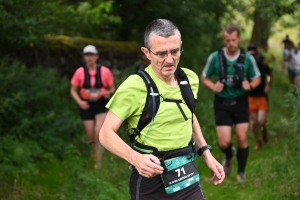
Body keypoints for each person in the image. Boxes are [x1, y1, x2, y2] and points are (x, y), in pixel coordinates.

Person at [100, 19, 224, 200]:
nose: (169, 59)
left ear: (181, 46)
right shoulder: (134, 86)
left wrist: (205, 152)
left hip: (186, 175)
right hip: (151, 182)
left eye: (174, 51)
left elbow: (188, 116)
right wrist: (135, 158)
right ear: (147, 53)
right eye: (161, 53)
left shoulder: (189, 79)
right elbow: (105, 133)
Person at [201, 25, 261, 183]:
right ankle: (229, 154)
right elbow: (204, 76)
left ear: (239, 39)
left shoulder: (247, 58)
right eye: (228, 40)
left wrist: (251, 85)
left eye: (234, 40)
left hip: (240, 102)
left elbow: (258, 77)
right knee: (224, 142)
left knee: (242, 137)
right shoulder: (215, 57)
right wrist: (213, 86)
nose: (231, 43)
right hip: (222, 103)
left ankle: (241, 173)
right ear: (224, 40)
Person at [70, 45, 115, 169]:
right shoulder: (80, 72)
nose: (89, 58)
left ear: (97, 56)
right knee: (91, 137)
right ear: (84, 57)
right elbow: (73, 90)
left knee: (98, 133)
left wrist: (108, 92)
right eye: (87, 55)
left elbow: (112, 88)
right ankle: (93, 154)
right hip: (86, 105)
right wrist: (79, 102)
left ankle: (98, 162)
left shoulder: (105, 71)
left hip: (100, 104)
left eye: (91, 55)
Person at [247, 45, 273, 150]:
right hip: (250, 98)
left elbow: (270, 74)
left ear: (257, 55)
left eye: (254, 54)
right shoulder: (244, 67)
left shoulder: (262, 65)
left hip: (262, 97)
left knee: (261, 121)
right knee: (253, 123)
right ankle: (258, 142)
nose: (252, 56)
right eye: (250, 55)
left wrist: (268, 84)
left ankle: (264, 130)